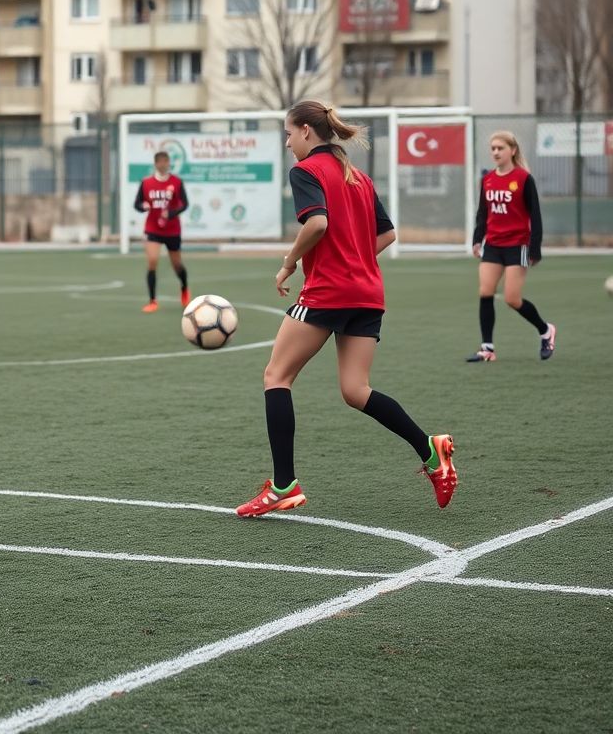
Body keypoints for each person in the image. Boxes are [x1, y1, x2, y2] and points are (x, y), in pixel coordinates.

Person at [236, 101, 457, 517]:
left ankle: (284, 486)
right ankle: (430, 450)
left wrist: (289, 263)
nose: (287, 143)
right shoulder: (359, 176)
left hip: (329, 293)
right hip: (367, 293)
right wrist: (354, 258)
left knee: (276, 376)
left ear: (305, 131)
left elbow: (316, 223)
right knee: (356, 391)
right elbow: (387, 234)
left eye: (288, 134)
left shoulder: (305, 171)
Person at [466, 130, 555, 363]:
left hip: (518, 245)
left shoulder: (524, 179)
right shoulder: (487, 179)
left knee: (512, 299)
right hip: (493, 245)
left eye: (500, 148)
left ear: (512, 151)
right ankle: (487, 349)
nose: (495, 152)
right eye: (493, 148)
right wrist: (477, 239)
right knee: (485, 292)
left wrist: (535, 248)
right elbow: (482, 213)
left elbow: (535, 216)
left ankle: (546, 331)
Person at [133, 150, 190, 313]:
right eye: (161, 162)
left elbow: (184, 204)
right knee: (152, 261)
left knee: (177, 264)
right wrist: (143, 207)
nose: (164, 165)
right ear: (156, 164)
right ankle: (152, 301)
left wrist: (171, 214)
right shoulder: (146, 183)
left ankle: (184, 289)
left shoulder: (177, 182)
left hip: (172, 230)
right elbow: (137, 204)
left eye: (167, 162)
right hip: (153, 228)